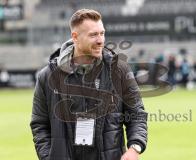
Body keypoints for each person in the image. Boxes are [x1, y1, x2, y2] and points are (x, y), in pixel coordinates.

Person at [30, 9, 147, 160]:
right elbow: (39, 125)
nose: (100, 40)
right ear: (75, 37)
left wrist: (134, 148)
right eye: (93, 35)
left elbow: (136, 114)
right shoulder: (47, 77)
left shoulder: (119, 71)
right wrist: (47, 157)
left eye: (102, 33)